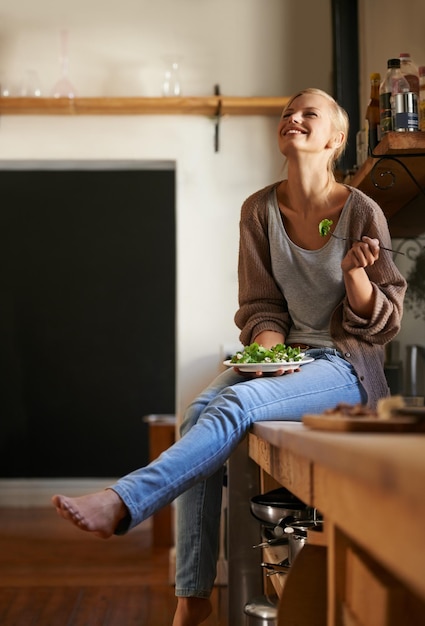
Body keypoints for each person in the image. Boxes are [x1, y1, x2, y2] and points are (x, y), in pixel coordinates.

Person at [52, 88, 406, 626]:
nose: (294, 118)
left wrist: (356, 277)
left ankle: (124, 500)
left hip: (343, 365)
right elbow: (261, 306)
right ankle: (193, 597)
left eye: (309, 113)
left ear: (335, 139)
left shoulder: (362, 211)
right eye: (289, 112)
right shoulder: (259, 210)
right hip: (288, 359)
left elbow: (385, 322)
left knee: (231, 405)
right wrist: (270, 355)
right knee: (198, 412)